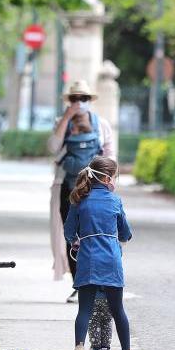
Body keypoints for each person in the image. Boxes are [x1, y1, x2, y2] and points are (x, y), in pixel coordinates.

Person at [48, 80, 118, 302]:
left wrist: (107, 181)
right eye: (74, 98)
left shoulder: (101, 125)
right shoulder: (62, 123)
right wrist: (67, 118)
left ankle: (96, 282)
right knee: (72, 235)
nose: (79, 103)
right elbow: (52, 148)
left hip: (95, 189)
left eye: (84, 98)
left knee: (95, 233)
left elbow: (110, 154)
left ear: (90, 101)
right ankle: (79, 283)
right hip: (66, 187)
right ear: (68, 101)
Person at [63, 156, 133, 350]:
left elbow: (68, 232)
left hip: (88, 260)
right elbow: (126, 233)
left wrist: (76, 240)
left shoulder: (79, 199)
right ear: (105, 178)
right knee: (118, 310)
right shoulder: (115, 201)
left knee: (84, 309)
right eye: (114, 176)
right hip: (111, 261)